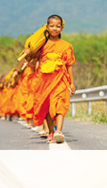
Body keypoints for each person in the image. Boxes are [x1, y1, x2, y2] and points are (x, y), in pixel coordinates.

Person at [24, 14, 75, 144]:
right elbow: (30, 61)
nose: (54, 29)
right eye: (51, 26)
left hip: (60, 80)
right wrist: (28, 53)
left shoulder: (66, 45)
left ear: (61, 28)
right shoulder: (41, 45)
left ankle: (59, 131)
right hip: (44, 81)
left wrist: (72, 83)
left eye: (58, 26)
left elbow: (69, 65)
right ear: (47, 27)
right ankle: (51, 132)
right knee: (45, 106)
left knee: (60, 104)